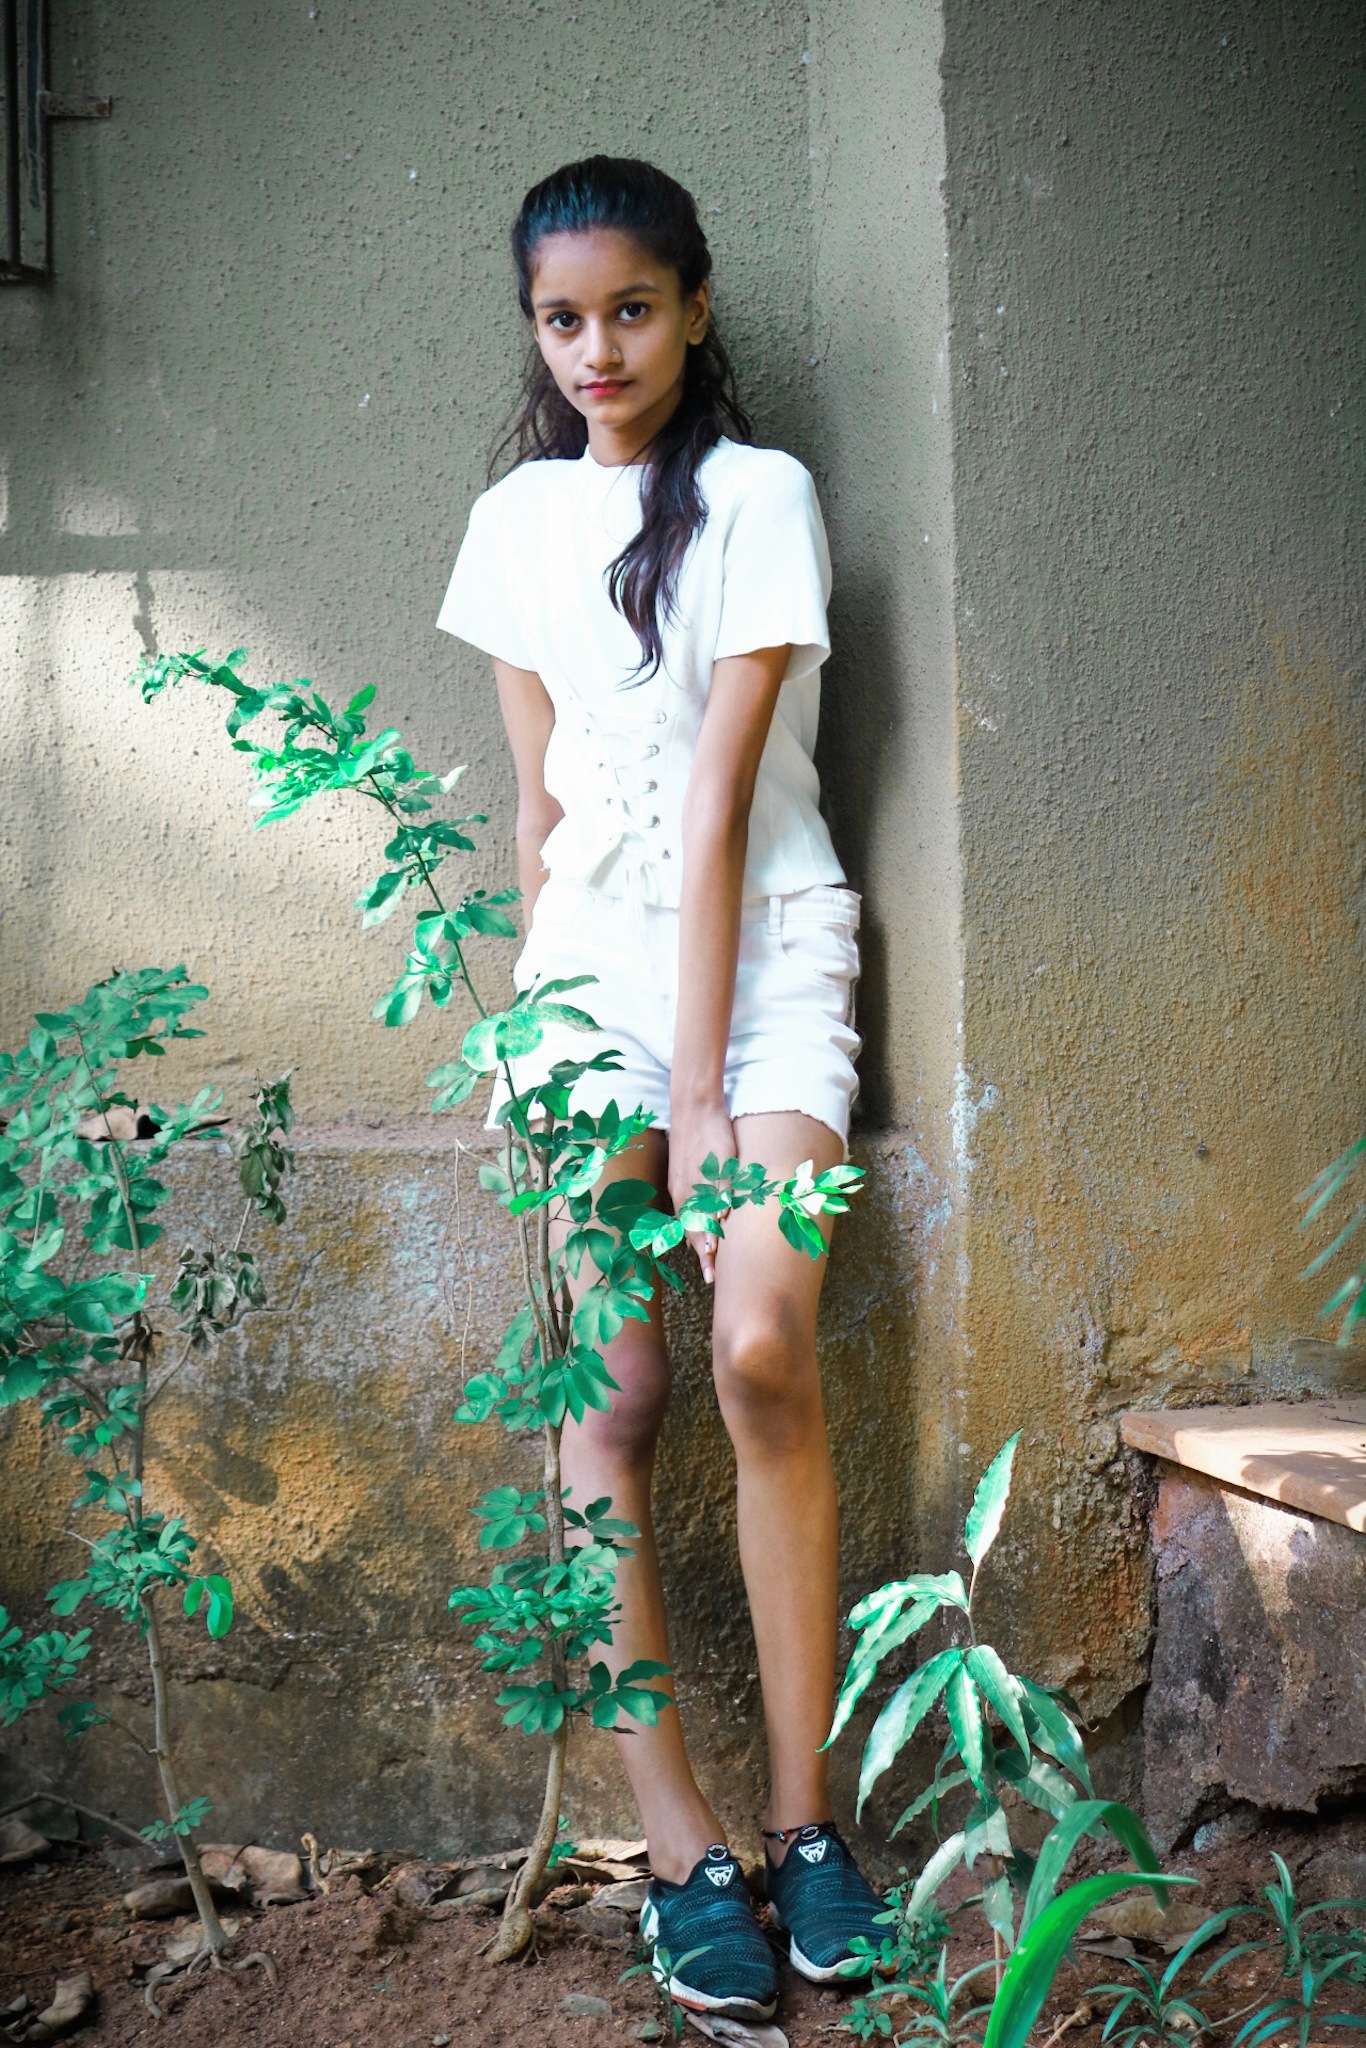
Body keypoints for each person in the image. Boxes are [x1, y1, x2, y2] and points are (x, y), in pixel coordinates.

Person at [436, 154, 882, 2024]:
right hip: (588, 994)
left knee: (759, 1342)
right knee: (609, 1394)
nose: (597, 349)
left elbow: (712, 814)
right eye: (563, 319)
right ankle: (681, 1848)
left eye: (630, 309)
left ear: (693, 308)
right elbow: (540, 810)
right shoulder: (514, 522)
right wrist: (543, 1037)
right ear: (533, 333)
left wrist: (697, 1101)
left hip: (768, 965)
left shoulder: (761, 497)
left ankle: (805, 1820)